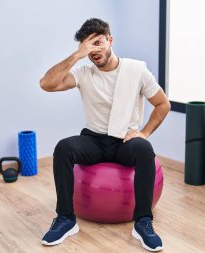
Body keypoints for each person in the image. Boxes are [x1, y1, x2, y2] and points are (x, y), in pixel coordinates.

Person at [39, 18, 170, 252]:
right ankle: (66, 219)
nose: (94, 51)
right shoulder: (83, 72)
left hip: (124, 142)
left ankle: (143, 222)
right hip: (94, 140)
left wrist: (144, 133)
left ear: (110, 40)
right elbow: (46, 84)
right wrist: (76, 56)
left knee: (143, 148)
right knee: (63, 147)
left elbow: (163, 104)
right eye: (89, 47)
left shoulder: (136, 70)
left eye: (98, 43)